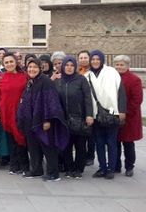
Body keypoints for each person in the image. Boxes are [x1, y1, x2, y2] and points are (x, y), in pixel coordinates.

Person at [17, 58, 69, 181]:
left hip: (43, 120)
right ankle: (36, 170)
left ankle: (53, 173)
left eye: (35, 67)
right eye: (30, 67)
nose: (32, 69)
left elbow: (51, 101)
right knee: (33, 147)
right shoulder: (31, 82)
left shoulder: (46, 82)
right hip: (31, 120)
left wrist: (47, 120)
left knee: (48, 146)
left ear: (40, 69)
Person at [86, 50, 126, 179]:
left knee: (111, 143)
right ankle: (102, 168)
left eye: (98, 59)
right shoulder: (87, 76)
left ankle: (111, 169)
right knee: (99, 143)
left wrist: (122, 110)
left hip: (111, 112)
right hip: (96, 114)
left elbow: (121, 92)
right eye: (93, 59)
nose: (95, 61)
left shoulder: (111, 72)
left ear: (102, 60)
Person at [0, 52, 28, 175]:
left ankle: (25, 165)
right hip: (6, 114)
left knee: (21, 139)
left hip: (21, 113)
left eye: (11, 61)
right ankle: (14, 164)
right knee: (11, 140)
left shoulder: (25, 76)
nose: (9, 64)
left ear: (16, 62)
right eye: (6, 62)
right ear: (3, 64)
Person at [54, 56, 93, 179]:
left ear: (75, 67)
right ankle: (69, 168)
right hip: (64, 119)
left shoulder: (81, 80)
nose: (69, 68)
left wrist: (89, 115)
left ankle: (78, 169)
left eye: (71, 65)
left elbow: (88, 98)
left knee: (80, 146)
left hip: (79, 118)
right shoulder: (58, 81)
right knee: (66, 145)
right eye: (67, 65)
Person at [114, 55, 143, 177]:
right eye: (117, 65)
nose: (119, 67)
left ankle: (129, 166)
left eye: (122, 65)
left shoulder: (134, 79)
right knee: (115, 143)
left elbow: (137, 100)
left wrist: (125, 113)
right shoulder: (113, 78)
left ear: (127, 66)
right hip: (114, 116)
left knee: (128, 144)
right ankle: (116, 166)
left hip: (129, 118)